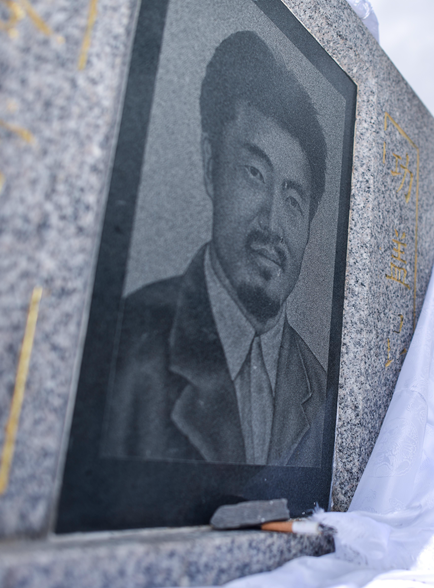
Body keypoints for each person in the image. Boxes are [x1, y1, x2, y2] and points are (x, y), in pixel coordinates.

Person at [101, 31, 329, 467]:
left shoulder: (319, 390)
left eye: (293, 199)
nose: (272, 224)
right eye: (254, 173)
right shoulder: (126, 345)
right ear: (211, 166)